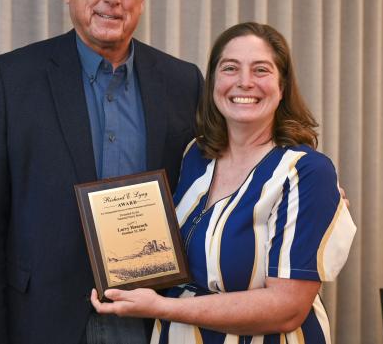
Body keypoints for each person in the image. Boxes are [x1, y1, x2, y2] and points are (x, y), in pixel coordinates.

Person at [0, 0, 203, 344]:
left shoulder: (183, 82)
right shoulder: (13, 79)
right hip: (43, 319)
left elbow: (213, 183)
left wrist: (292, 179)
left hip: (152, 317)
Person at [91, 22, 357, 343]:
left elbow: (287, 308)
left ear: (282, 85)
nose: (244, 83)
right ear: (214, 81)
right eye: (230, 68)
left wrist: (162, 307)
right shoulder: (196, 155)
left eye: (261, 70)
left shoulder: (306, 172)